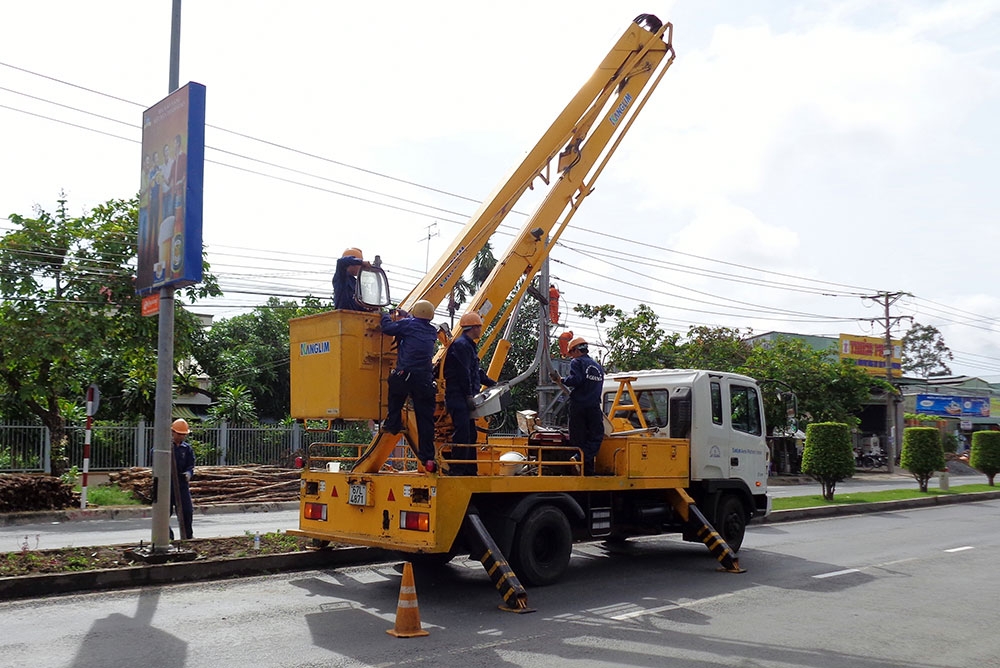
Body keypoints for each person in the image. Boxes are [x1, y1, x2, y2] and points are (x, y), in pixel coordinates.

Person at [380, 300, 439, 472]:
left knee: (395, 392)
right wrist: (406, 317)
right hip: (425, 380)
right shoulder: (432, 331)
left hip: (406, 375)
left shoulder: (408, 325)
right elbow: (414, 328)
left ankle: (393, 423)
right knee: (425, 419)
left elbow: (388, 329)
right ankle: (427, 455)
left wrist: (386, 316)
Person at [444, 312, 496, 475]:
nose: (481, 329)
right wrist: (468, 395)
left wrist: (493, 384)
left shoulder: (468, 346)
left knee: (470, 434)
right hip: (458, 397)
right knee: (463, 433)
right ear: (473, 327)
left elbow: (475, 372)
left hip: (463, 397)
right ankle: (458, 469)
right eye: (479, 326)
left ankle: (470, 469)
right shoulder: (462, 345)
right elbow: (463, 372)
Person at [550, 337, 605, 475]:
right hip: (593, 406)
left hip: (579, 406)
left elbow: (576, 380)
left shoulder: (577, 362)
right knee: (595, 436)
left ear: (575, 350)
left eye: (571, 353)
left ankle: (578, 459)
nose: (571, 356)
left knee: (578, 438)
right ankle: (587, 469)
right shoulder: (597, 366)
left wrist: (561, 380)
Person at [169, 418, 196, 539]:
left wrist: (189, 473)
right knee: (164, 514)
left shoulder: (187, 449)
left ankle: (187, 537)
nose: (181, 437)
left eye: (183, 435)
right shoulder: (165, 446)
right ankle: (167, 537)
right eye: (179, 434)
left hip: (181, 484)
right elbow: (155, 457)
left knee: (187, 511)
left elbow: (191, 465)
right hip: (167, 484)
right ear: (172, 432)